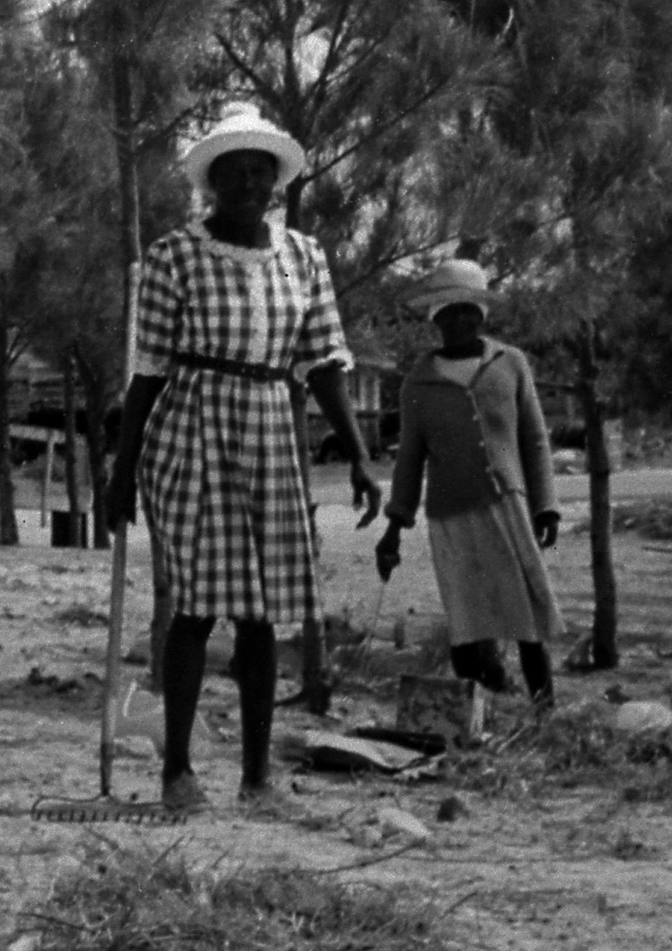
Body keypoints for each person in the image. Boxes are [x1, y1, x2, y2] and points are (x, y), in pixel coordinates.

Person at [97, 104, 382, 815]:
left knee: (262, 612)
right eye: (236, 172)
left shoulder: (304, 257)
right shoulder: (174, 256)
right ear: (213, 183)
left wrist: (358, 456)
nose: (251, 183)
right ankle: (179, 776)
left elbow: (322, 365)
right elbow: (149, 372)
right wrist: (121, 469)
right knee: (194, 607)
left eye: (263, 171)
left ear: (279, 181)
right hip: (191, 428)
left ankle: (257, 780)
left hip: (269, 430)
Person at [374, 259, 564, 707]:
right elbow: (409, 458)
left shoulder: (510, 363)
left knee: (525, 611)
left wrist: (547, 506)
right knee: (465, 615)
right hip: (450, 514)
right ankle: (465, 712)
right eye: (449, 311)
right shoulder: (420, 380)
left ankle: (544, 708)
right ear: (435, 318)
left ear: (482, 314)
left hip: (507, 504)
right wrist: (394, 526)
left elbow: (534, 439)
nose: (460, 320)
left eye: (469, 310)